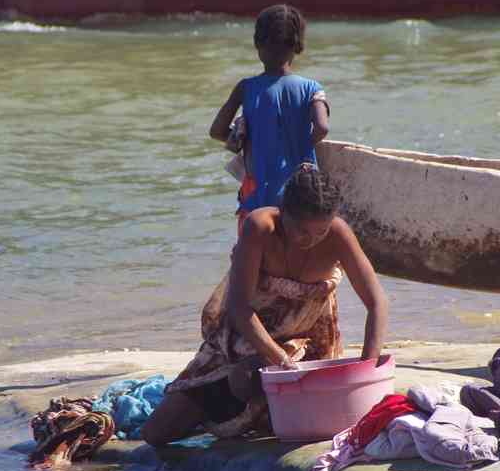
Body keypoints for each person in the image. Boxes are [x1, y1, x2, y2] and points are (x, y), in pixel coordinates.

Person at [141, 164, 388, 446]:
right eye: (301, 231)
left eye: (320, 231)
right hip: (245, 341)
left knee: (252, 381)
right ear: (284, 214)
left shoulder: (339, 234)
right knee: (157, 433)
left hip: (304, 344)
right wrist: (279, 361)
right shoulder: (260, 227)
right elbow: (238, 307)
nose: (310, 240)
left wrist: (367, 367)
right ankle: (222, 411)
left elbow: (377, 302)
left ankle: (259, 410)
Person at [208, 4, 330, 233]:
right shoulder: (311, 88)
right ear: (297, 46)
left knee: (255, 252)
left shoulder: (245, 88)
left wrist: (245, 140)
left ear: (257, 45)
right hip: (302, 194)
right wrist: (300, 143)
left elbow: (216, 131)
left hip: (257, 197)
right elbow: (322, 127)